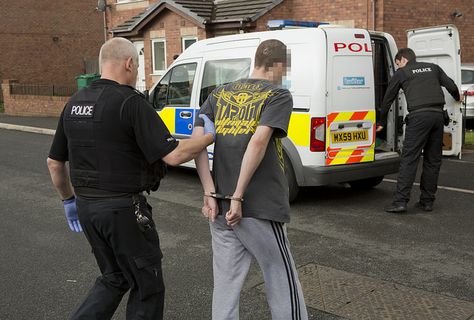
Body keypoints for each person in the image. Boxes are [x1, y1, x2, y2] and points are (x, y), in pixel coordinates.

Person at [47, 37, 214, 320]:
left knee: (114, 277)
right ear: (129, 63)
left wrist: (68, 200)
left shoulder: (74, 103)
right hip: (123, 211)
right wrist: (210, 136)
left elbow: (54, 163)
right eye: (136, 65)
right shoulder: (130, 102)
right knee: (146, 284)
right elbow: (173, 156)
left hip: (87, 209)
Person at [193, 39, 308, 320]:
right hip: (258, 206)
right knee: (281, 278)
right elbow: (258, 142)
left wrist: (210, 192)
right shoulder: (278, 95)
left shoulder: (218, 94)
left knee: (225, 286)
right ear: (279, 65)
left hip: (219, 208)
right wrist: (238, 196)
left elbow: (197, 142)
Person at [377, 48, 462, 213]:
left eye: (398, 64)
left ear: (403, 59)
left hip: (418, 118)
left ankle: (400, 202)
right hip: (437, 117)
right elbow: (451, 86)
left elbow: (388, 99)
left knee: (409, 159)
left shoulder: (402, 73)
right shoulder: (433, 68)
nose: (398, 68)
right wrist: (458, 97)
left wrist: (381, 121)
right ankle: (427, 201)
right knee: (432, 160)